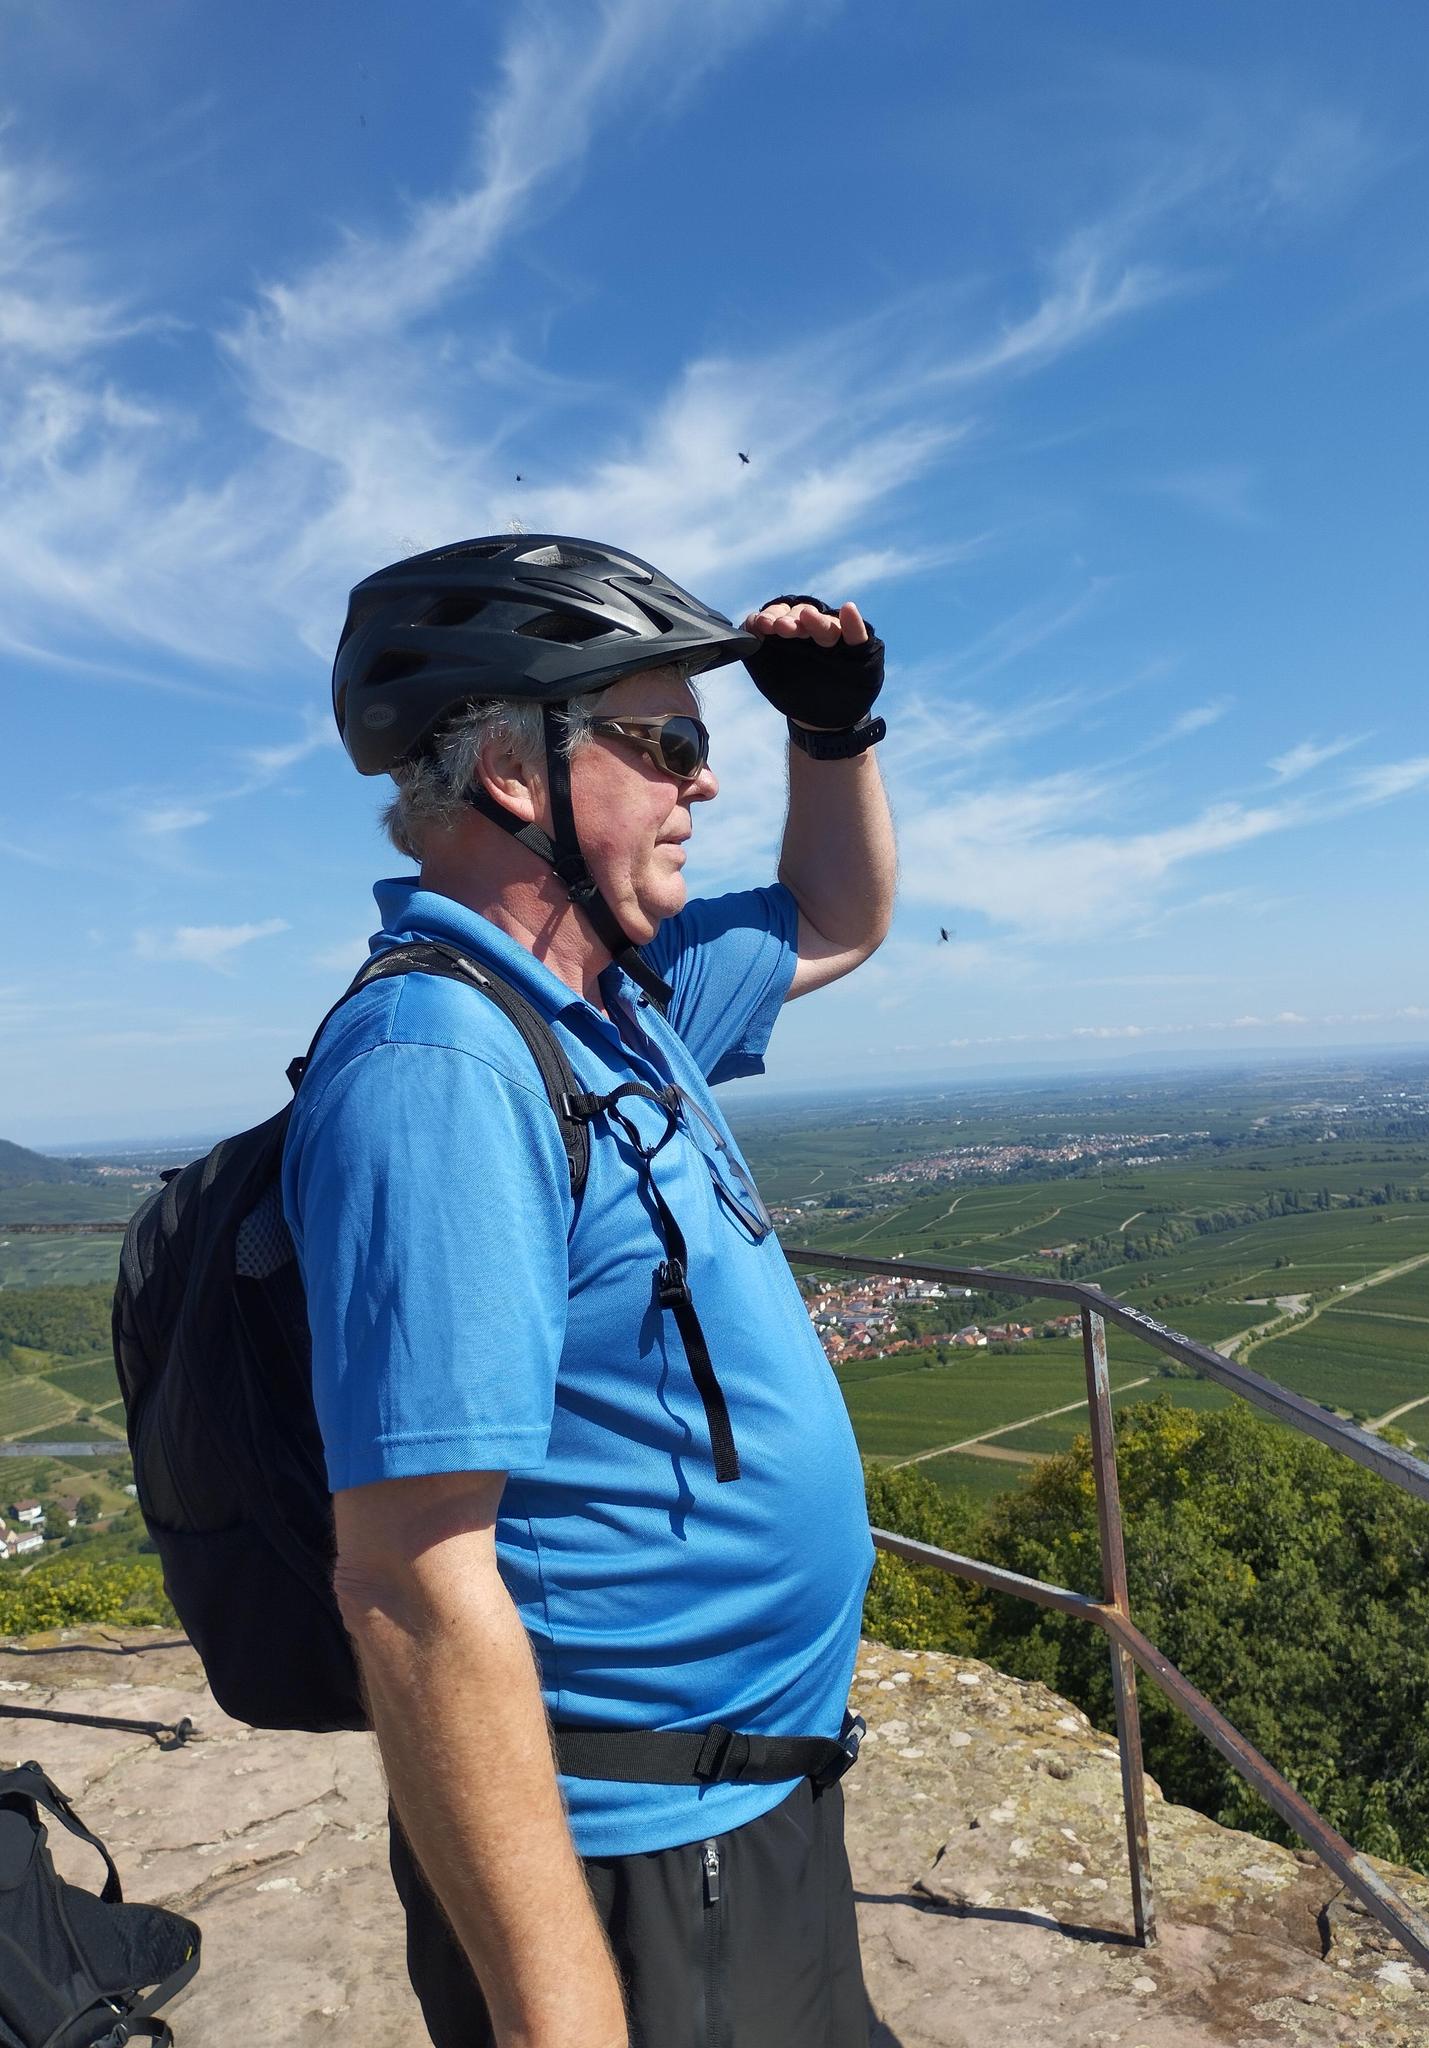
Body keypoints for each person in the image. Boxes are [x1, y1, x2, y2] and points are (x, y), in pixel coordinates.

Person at [280, 534, 897, 2048]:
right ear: (512, 771)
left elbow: (837, 917)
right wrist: (561, 2017)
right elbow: (409, 1582)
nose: (704, 781)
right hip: (631, 1853)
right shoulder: (439, 1065)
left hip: (740, 1802)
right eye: (666, 742)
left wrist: (832, 736)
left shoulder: (616, 1002)